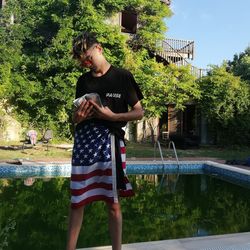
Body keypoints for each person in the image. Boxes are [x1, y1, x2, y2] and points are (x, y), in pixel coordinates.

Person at [66, 31, 144, 250]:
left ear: (98, 48)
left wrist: (113, 117)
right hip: (84, 143)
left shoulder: (123, 77)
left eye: (88, 58)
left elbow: (139, 112)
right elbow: (75, 116)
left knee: (113, 204)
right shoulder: (83, 81)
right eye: (83, 62)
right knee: (77, 201)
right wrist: (76, 118)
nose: (87, 64)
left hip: (111, 143)